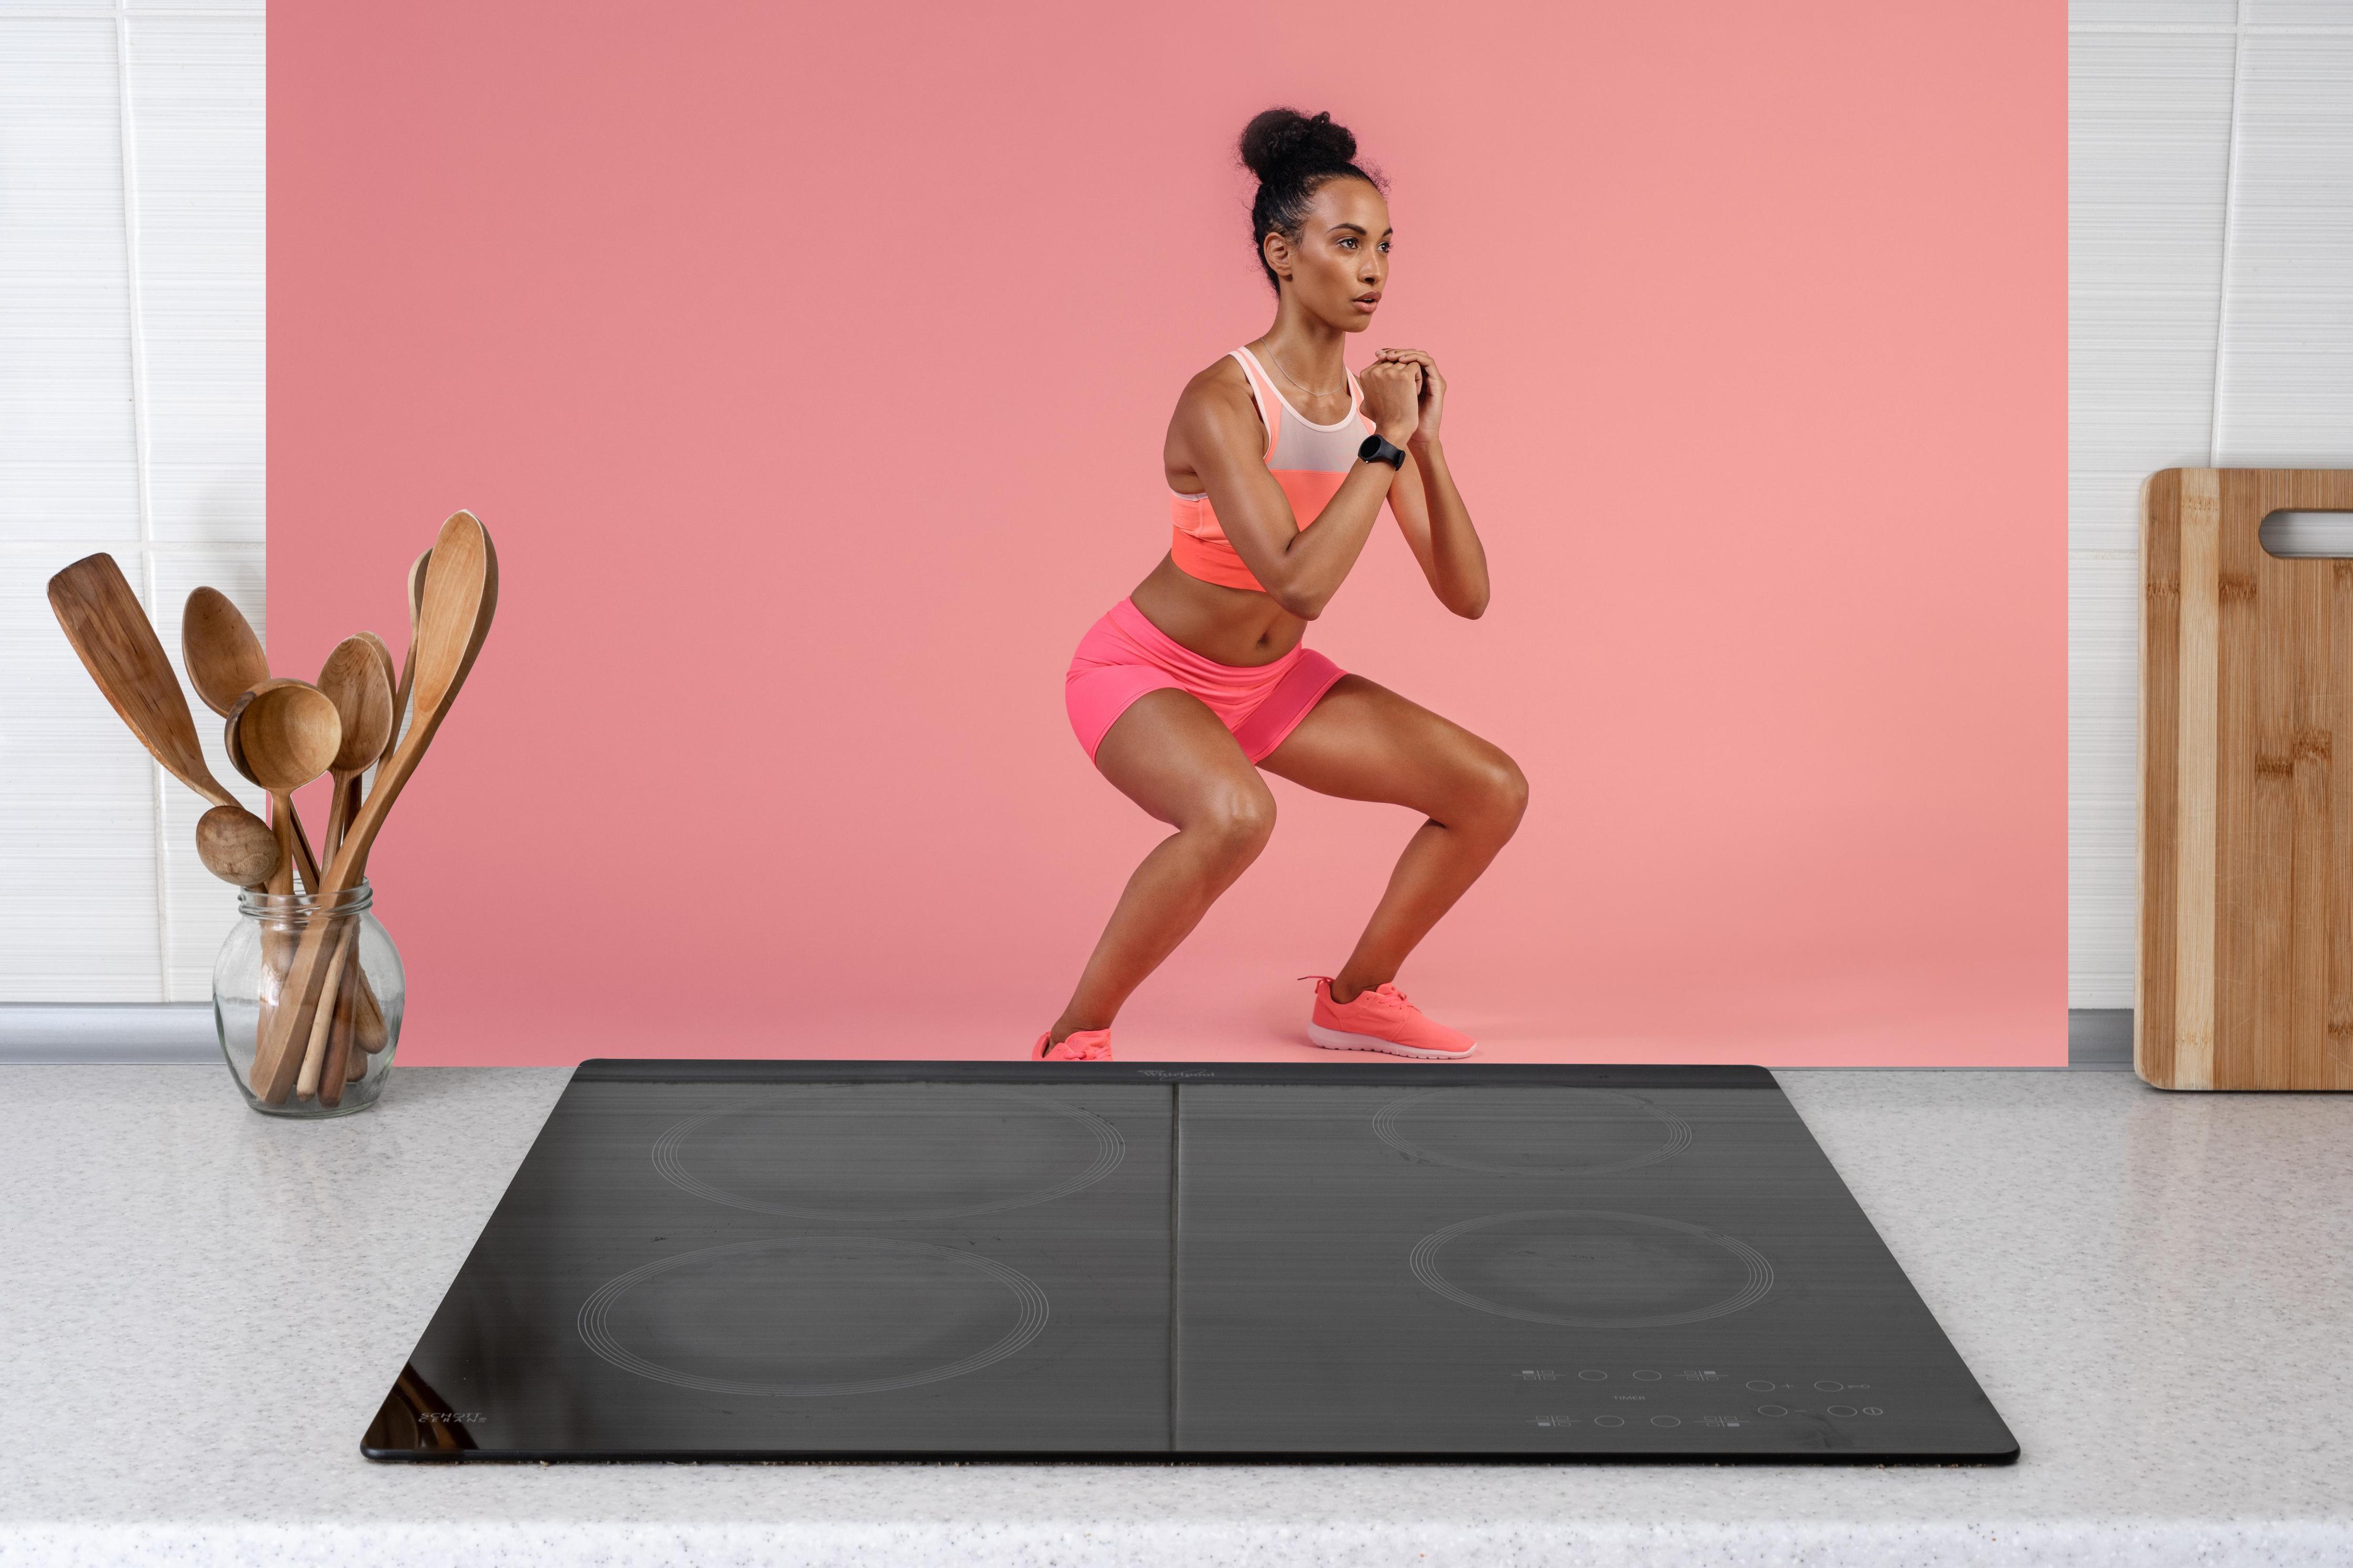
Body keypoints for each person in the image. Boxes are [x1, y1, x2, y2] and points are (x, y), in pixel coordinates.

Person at [1038, 107, 1526, 1063]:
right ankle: (1073, 1037)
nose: (1374, 269)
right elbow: (1298, 583)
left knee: (1492, 790)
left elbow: (1466, 594)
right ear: (1283, 253)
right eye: (1346, 243)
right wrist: (1382, 444)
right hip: (1148, 675)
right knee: (1234, 814)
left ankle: (1354, 997)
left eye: (1384, 245)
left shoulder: (1370, 407)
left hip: (1270, 687)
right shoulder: (1223, 400)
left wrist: (1424, 441)